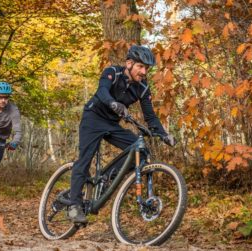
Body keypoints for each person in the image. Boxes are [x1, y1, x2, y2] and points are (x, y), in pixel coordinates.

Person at [67, 45, 176, 223]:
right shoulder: (113, 72)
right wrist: (113, 103)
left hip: (112, 123)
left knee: (141, 152)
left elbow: (150, 116)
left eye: (146, 68)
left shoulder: (142, 87)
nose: (143, 72)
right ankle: (74, 205)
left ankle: (106, 179)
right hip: (93, 118)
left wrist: (164, 134)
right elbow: (102, 91)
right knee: (85, 159)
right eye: (140, 67)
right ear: (129, 63)